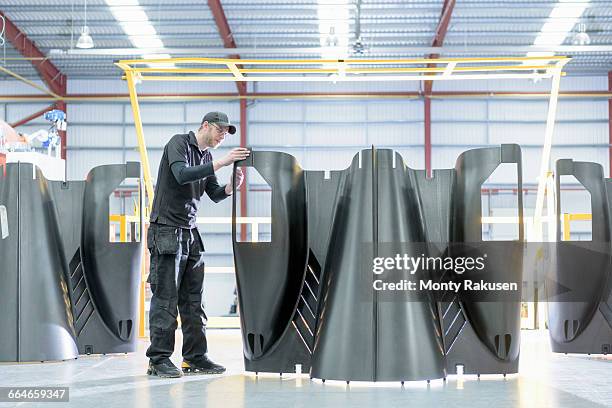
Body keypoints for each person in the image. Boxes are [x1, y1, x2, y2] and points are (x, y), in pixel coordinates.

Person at [146, 111, 250, 378]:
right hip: (167, 230)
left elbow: (214, 194)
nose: (222, 137)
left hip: (190, 233)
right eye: (220, 131)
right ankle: (158, 359)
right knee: (166, 298)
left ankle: (195, 357)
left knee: (193, 300)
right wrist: (224, 162)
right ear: (205, 126)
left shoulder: (207, 157)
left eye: (226, 134)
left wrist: (230, 187)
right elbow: (181, 174)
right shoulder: (178, 143)